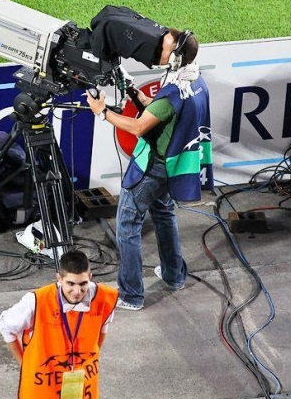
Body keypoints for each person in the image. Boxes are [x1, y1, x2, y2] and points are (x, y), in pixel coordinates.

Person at [86, 28, 212, 311]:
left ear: (177, 58)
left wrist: (102, 112)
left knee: (128, 225)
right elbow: (158, 111)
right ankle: (174, 274)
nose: (159, 51)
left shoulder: (172, 95)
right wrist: (132, 90)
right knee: (164, 214)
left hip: (153, 167)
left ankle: (131, 294)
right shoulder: (195, 81)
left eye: (165, 49)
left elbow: (139, 126)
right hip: (174, 165)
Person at [0, 250, 118, 399]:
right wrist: (25, 364)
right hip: (43, 384)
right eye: (71, 284)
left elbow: (102, 329)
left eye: (83, 284)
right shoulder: (36, 301)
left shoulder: (104, 298)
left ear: (90, 277)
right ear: (59, 278)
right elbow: (5, 327)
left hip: (82, 381)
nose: (77, 291)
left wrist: (87, 359)